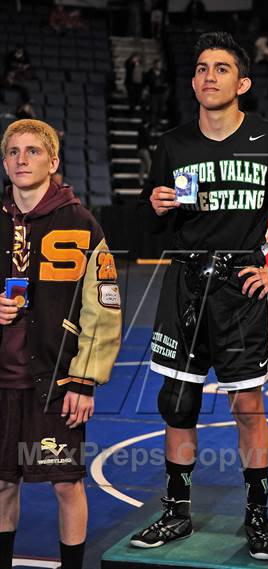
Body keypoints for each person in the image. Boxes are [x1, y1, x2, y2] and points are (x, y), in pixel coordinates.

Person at [130, 32, 268, 560]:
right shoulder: (172, 144)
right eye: (200, 68)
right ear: (192, 80)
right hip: (185, 283)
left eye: (220, 68)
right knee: (177, 406)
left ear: (242, 82)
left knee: (247, 407)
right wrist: (154, 205)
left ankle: (257, 520)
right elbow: (148, 228)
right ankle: (176, 513)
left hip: (241, 285)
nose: (208, 76)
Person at [0, 119, 122, 569]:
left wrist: (85, 381)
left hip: (56, 381)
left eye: (32, 151)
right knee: (1, 483)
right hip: (2, 381)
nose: (21, 160)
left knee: (66, 484)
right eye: (13, 152)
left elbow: (104, 310)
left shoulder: (82, 224)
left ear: (52, 162)